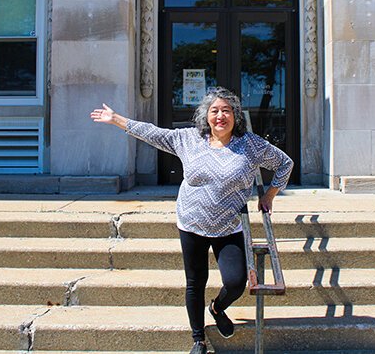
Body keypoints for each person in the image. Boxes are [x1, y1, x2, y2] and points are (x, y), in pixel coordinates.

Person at [90, 87, 293, 354]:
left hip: (229, 226)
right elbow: (153, 133)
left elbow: (284, 163)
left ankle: (217, 307)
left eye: (226, 110)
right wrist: (117, 119)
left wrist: (269, 195)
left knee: (235, 282)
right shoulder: (189, 139)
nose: (220, 116)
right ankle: (198, 339)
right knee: (195, 282)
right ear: (205, 116)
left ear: (235, 116)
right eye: (214, 111)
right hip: (192, 224)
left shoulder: (251, 145)